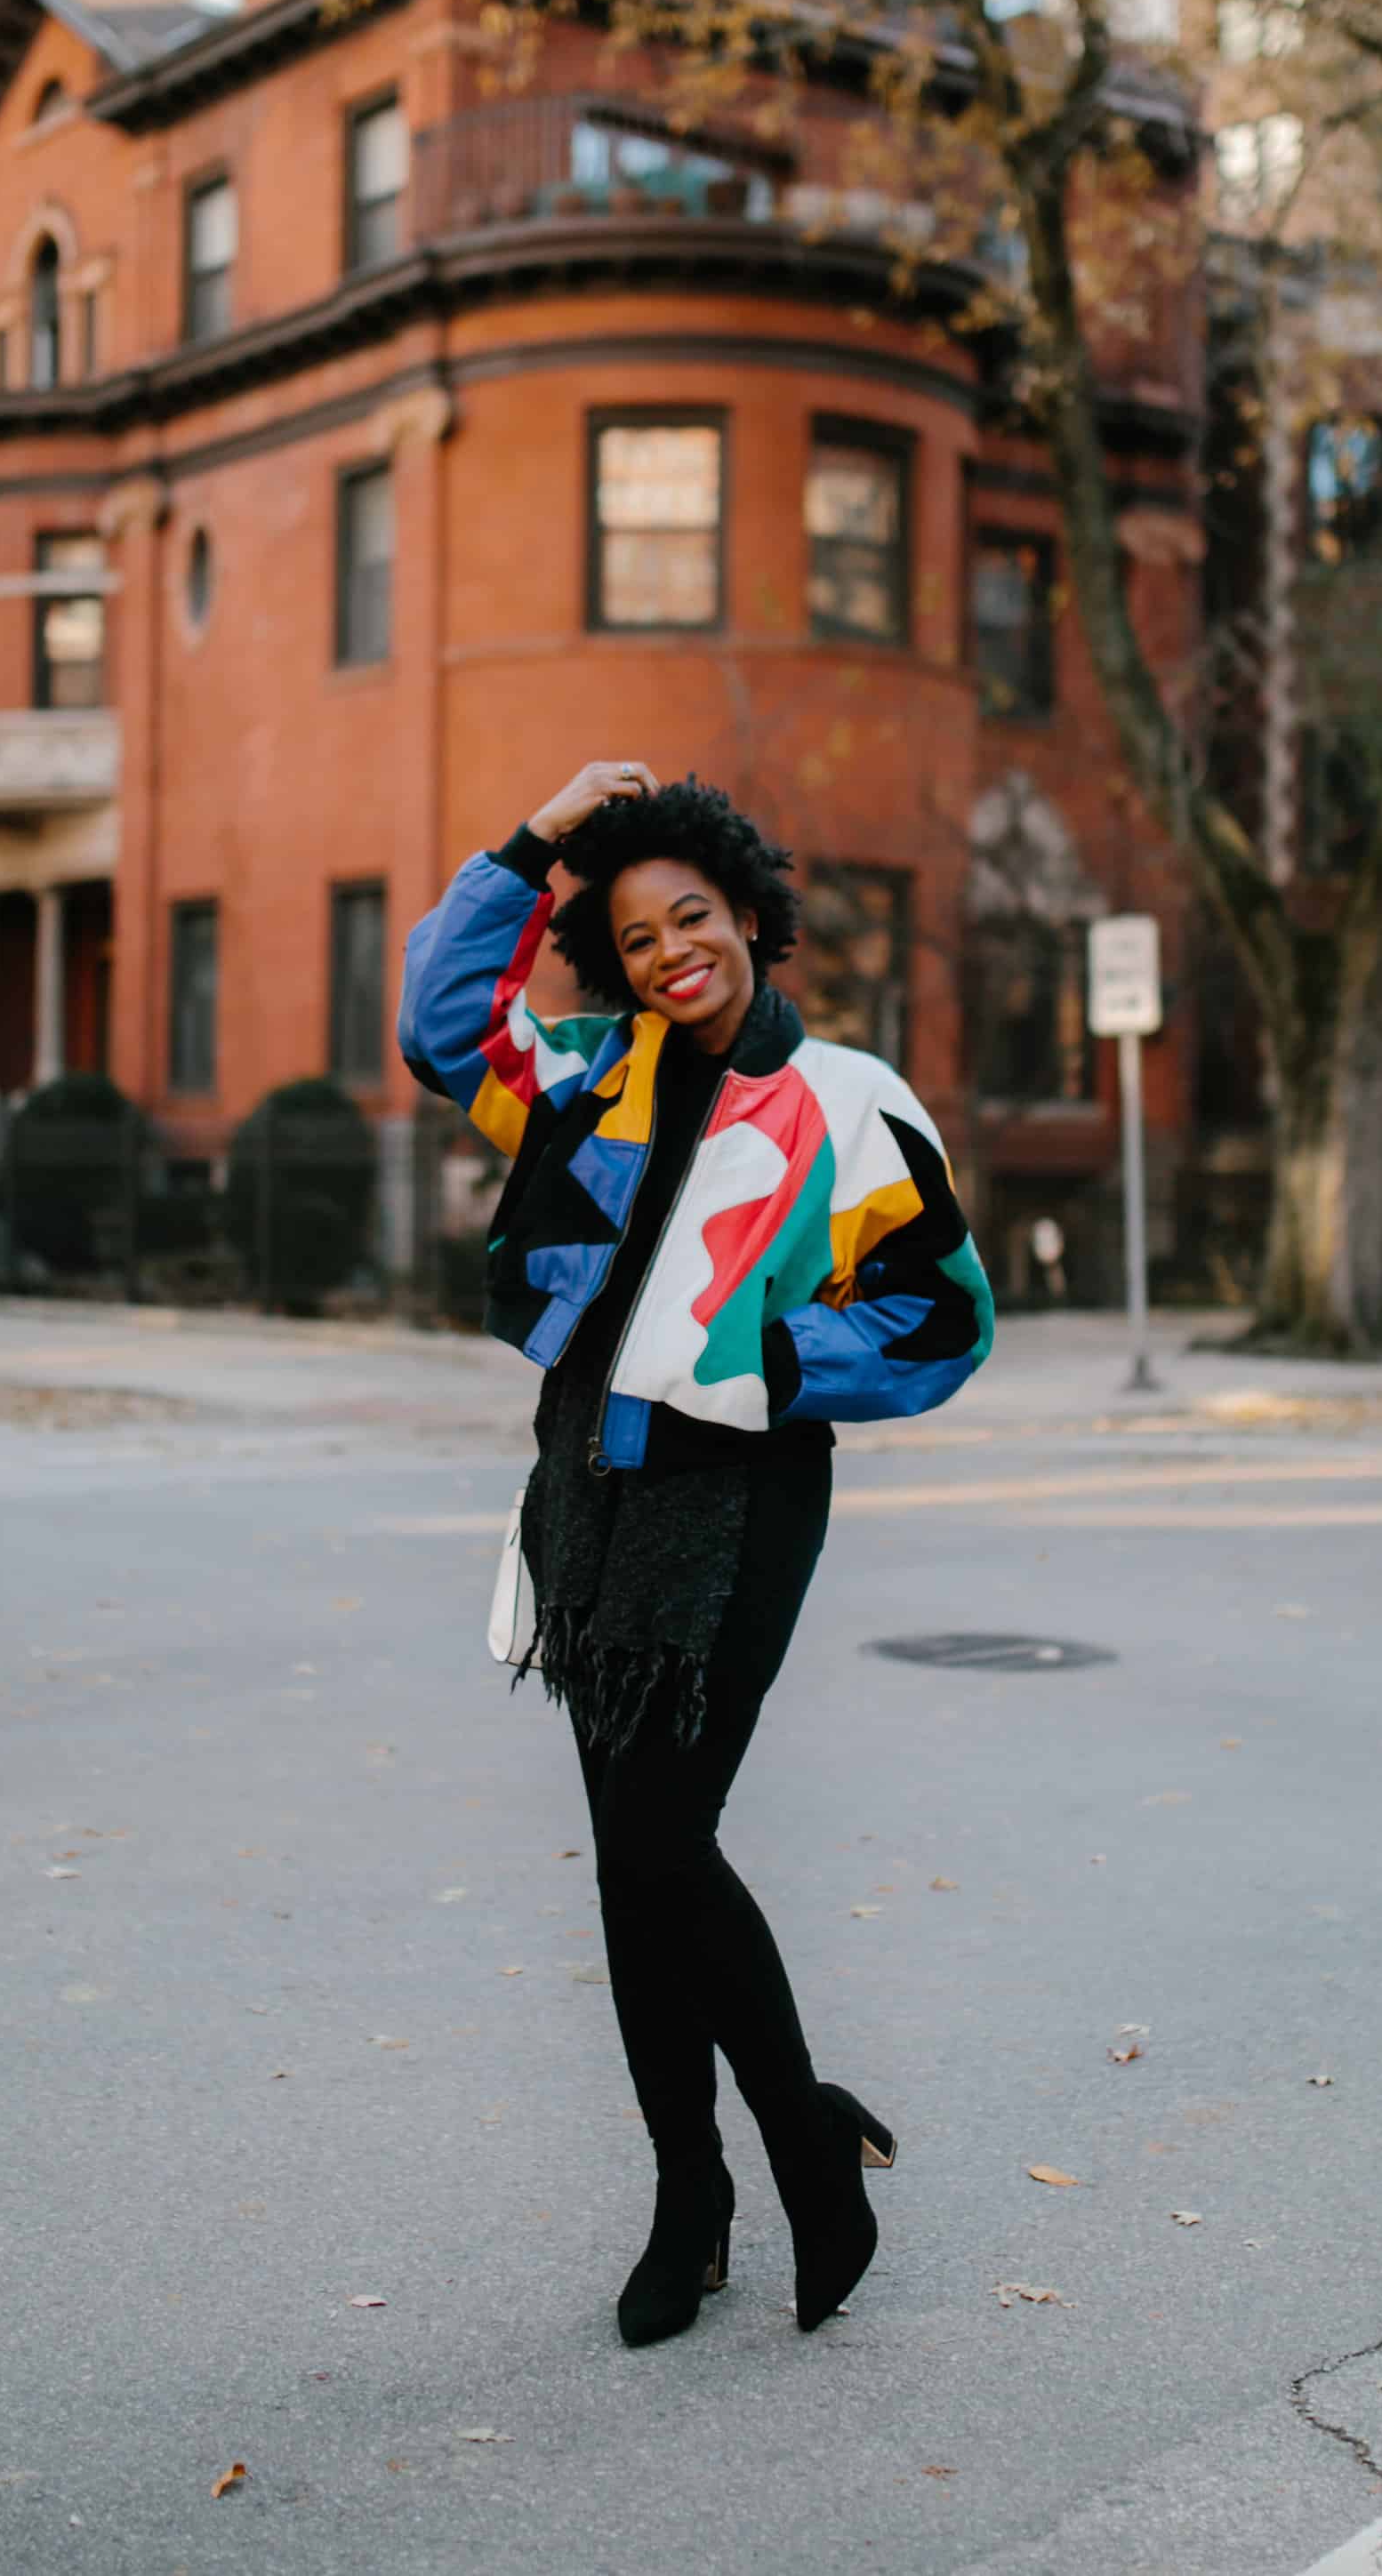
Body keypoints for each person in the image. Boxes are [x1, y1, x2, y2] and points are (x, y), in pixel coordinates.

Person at [398, 762, 995, 2347]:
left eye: (695, 917)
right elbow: (442, 1023)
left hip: (734, 1502)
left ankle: (799, 2136)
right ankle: (694, 2193)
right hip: (581, 1485)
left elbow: (940, 1313)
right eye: (638, 930)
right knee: (629, 1870)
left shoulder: (851, 1098)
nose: (672, 950)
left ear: (749, 914)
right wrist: (537, 841)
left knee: (663, 1842)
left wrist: (763, 1366)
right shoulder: (585, 1073)